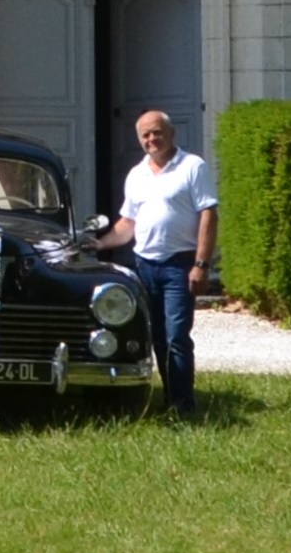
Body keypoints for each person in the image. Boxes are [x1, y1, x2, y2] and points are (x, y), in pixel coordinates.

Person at [93, 109, 217, 417]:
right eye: (145, 135)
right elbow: (127, 224)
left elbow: (209, 215)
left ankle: (184, 407)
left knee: (177, 337)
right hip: (145, 266)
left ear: (171, 133)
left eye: (157, 132)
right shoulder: (137, 174)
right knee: (155, 337)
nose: (152, 139)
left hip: (180, 265)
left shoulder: (192, 166)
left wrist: (201, 264)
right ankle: (167, 399)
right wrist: (99, 244)